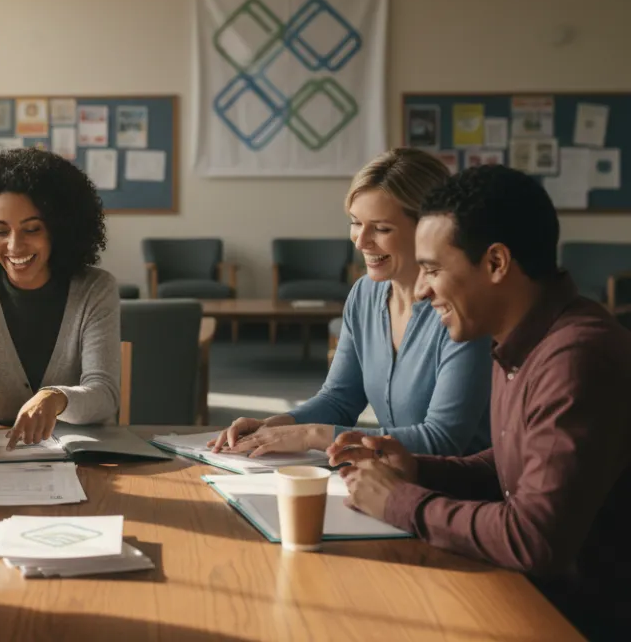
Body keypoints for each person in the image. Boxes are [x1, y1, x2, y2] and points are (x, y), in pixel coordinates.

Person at [330, 165, 631, 639]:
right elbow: (513, 465)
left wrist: (400, 501)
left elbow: (534, 538)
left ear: (495, 264)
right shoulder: (518, 337)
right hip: (522, 591)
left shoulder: (576, 356)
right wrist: (419, 470)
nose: (423, 291)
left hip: (571, 618)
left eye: (432, 269)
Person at [211, 148, 492, 458]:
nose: (361, 241)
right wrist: (275, 425)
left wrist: (311, 435)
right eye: (356, 223)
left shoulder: (464, 308)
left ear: (430, 229)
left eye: (382, 228)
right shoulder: (365, 293)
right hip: (393, 481)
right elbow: (339, 400)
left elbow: (441, 440)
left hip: (463, 493)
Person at [0, 148, 120, 452]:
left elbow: (105, 394)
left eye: (32, 229)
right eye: (0, 231)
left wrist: (55, 398)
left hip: (82, 458)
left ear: (58, 230)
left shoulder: (96, 290)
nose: (15, 246)